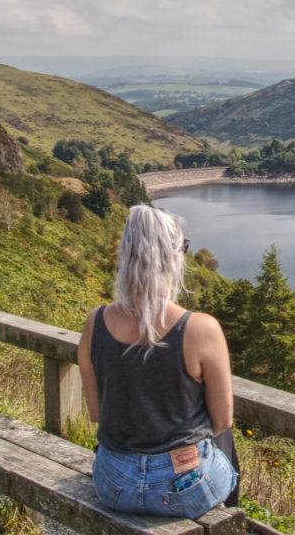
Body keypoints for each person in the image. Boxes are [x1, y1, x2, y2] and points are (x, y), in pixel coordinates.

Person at [78, 205, 237, 518]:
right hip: (185, 488)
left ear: (126, 256)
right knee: (224, 441)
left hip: (114, 485)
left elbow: (96, 414)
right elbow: (222, 421)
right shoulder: (201, 328)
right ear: (174, 258)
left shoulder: (95, 322)